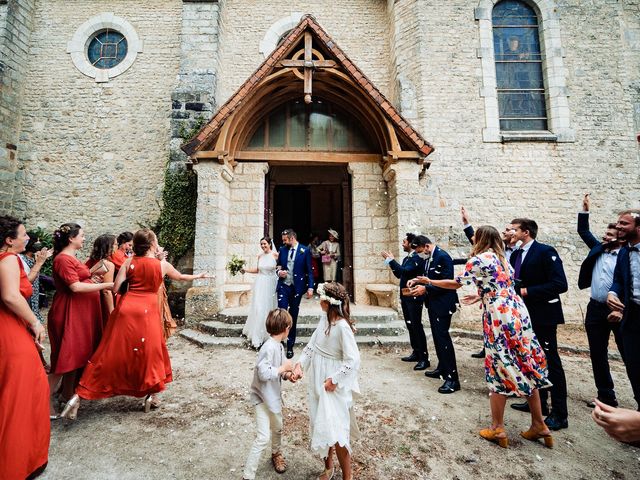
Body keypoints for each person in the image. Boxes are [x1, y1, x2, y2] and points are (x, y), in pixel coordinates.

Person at [419, 225, 553, 448]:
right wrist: (481, 295)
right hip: (517, 312)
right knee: (525, 362)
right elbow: (499, 286)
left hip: (499, 317)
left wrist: (429, 281)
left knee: (498, 365)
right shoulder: (503, 259)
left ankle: (497, 428)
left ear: (479, 239)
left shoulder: (479, 259)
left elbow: (455, 283)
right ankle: (539, 424)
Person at [60, 229, 209, 419]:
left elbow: (115, 288)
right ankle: (152, 395)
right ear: (153, 245)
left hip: (126, 309)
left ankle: (77, 397)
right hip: (147, 311)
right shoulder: (161, 265)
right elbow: (180, 277)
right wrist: (199, 277)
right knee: (150, 352)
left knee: (109, 352)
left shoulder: (128, 262)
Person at [292, 282, 360, 480]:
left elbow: (353, 360)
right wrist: (299, 365)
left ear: (328, 302)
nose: (318, 300)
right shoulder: (324, 320)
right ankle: (328, 467)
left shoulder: (342, 327)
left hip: (332, 383)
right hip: (317, 378)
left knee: (337, 430)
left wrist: (335, 380)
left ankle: (348, 476)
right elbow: (312, 346)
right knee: (322, 423)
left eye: (321, 297)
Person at [0, 216, 50, 480]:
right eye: (23, 234)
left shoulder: (7, 260)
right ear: (9, 240)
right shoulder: (7, 259)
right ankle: (15, 464)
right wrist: (35, 323)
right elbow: (10, 295)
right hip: (10, 330)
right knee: (21, 394)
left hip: (8, 328)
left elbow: (22, 285)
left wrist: (39, 263)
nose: (28, 238)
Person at [47, 223, 114, 416]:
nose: (84, 239)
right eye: (82, 236)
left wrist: (90, 278)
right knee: (64, 359)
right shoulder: (63, 259)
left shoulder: (71, 257)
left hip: (78, 312)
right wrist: (106, 285)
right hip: (68, 312)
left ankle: (67, 395)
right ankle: (43, 401)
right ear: (71, 238)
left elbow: (79, 280)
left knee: (74, 359)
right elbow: (75, 287)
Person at [509, 218, 569, 431]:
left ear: (526, 232)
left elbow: (560, 284)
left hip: (544, 315)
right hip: (524, 316)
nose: (511, 232)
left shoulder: (545, 251)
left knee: (550, 362)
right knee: (530, 359)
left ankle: (560, 413)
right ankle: (538, 403)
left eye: (514, 229)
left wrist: (527, 292)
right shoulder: (515, 254)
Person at [577, 194, 624, 407]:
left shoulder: (627, 256)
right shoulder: (598, 249)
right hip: (595, 308)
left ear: (621, 238)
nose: (604, 237)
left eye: (609, 235)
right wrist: (585, 210)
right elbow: (583, 231)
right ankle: (606, 396)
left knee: (629, 353)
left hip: (621, 310)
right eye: (605, 233)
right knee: (597, 352)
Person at [242, 308, 295, 480]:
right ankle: (248, 475)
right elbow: (264, 373)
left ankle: (276, 454)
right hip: (261, 398)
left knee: (278, 427)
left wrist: (289, 375)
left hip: (273, 397)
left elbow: (278, 371)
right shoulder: (268, 347)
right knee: (263, 437)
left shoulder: (278, 346)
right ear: (286, 328)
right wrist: (283, 368)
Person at [460, 206, 518, 359]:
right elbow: (478, 241)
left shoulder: (517, 250)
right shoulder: (497, 250)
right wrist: (467, 224)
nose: (505, 231)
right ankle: (489, 350)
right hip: (497, 298)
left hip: (512, 298)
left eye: (509, 229)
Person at [408, 237, 460, 394]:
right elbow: (428, 278)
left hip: (443, 304)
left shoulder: (443, 257)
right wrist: (416, 281)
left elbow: (448, 282)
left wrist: (426, 289)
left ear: (426, 246)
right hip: (434, 304)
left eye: (419, 251)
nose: (419, 255)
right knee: (437, 338)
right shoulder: (429, 258)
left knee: (443, 339)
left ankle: (452, 379)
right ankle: (442, 368)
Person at [381, 233, 430, 370]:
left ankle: (424, 358)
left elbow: (404, 270)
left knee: (416, 326)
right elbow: (399, 274)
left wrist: (391, 260)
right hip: (405, 296)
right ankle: (416, 352)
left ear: (411, 244)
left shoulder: (417, 257)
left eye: (404, 242)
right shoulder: (407, 258)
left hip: (414, 296)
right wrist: (389, 261)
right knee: (410, 325)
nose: (402, 244)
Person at [607, 208, 640, 409]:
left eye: (624, 224)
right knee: (634, 365)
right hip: (633, 316)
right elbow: (619, 279)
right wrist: (613, 293)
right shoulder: (625, 252)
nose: (619, 227)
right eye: (618, 223)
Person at [277, 229, 314, 359]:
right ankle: (279, 342)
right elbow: (279, 266)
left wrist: (310, 287)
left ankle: (290, 345)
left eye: (285, 240)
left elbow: (309, 271)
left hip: (297, 288)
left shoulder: (305, 250)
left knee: (293, 315)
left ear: (292, 238)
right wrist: (279, 273)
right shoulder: (282, 250)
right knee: (281, 314)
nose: (283, 242)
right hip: (283, 286)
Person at [241, 236, 279, 348]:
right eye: (261, 244)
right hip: (260, 283)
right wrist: (246, 270)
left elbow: (281, 268)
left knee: (269, 307)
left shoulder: (275, 255)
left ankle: (269, 333)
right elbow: (258, 270)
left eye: (264, 244)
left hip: (271, 283)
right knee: (259, 307)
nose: (263, 246)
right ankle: (257, 336)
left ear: (269, 244)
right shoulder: (260, 256)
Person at [85, 234, 117, 328]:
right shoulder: (108, 264)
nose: (117, 246)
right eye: (115, 244)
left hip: (88, 299)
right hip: (100, 302)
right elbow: (106, 291)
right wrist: (111, 311)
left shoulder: (89, 260)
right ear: (109, 247)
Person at [19, 236, 52, 323]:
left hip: (35, 291)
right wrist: (39, 263)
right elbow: (26, 280)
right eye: (36, 242)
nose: (39, 244)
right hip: (27, 292)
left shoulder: (34, 258)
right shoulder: (21, 258)